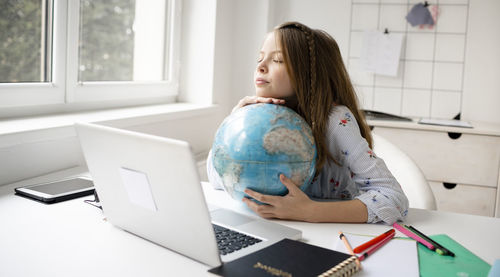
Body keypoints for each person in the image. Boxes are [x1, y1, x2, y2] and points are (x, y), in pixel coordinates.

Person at [207, 21, 408, 225]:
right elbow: (217, 180)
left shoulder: (335, 121)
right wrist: (232, 121)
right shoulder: (253, 119)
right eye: (260, 58)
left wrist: (310, 211)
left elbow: (394, 198)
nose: (260, 66)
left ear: (309, 74)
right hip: (266, 225)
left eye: (277, 60)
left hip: (330, 234)